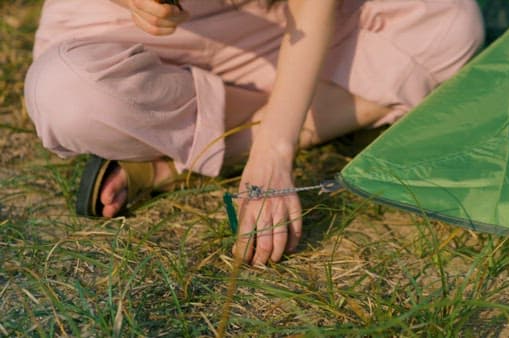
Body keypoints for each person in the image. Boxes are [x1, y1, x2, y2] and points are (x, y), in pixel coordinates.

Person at [24, 0, 484, 266]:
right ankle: (275, 105)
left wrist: (274, 151)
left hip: (275, 20)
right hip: (130, 29)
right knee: (69, 94)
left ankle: (177, 159)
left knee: (448, 25)